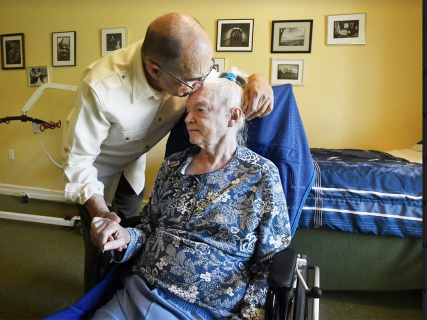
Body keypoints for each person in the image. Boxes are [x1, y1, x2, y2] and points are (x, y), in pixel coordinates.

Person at [62, 12, 275, 293]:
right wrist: (100, 213)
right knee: (102, 243)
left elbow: (227, 80)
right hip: (96, 171)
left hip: (133, 166)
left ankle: (123, 287)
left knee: (130, 231)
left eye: (205, 73)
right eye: (192, 82)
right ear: (154, 71)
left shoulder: (189, 66)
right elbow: (78, 160)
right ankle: (94, 298)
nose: (201, 85)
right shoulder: (101, 86)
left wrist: (256, 79)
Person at [90, 72, 291, 320]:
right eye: (187, 111)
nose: (188, 119)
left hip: (201, 310)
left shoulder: (260, 175)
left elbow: (270, 263)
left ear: (233, 116)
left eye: (201, 110)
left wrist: (249, 316)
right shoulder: (172, 166)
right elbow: (149, 228)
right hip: (138, 291)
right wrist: (124, 237)